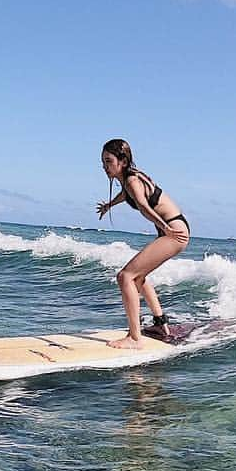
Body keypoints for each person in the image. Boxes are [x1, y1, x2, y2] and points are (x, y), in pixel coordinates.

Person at [96, 138, 191, 349]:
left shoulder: (132, 180)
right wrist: (109, 205)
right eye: (102, 162)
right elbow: (127, 195)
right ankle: (160, 324)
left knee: (125, 276)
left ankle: (135, 338)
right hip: (172, 230)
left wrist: (163, 227)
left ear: (122, 160)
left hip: (174, 232)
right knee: (138, 276)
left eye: (108, 161)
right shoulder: (127, 179)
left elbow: (143, 205)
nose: (105, 167)